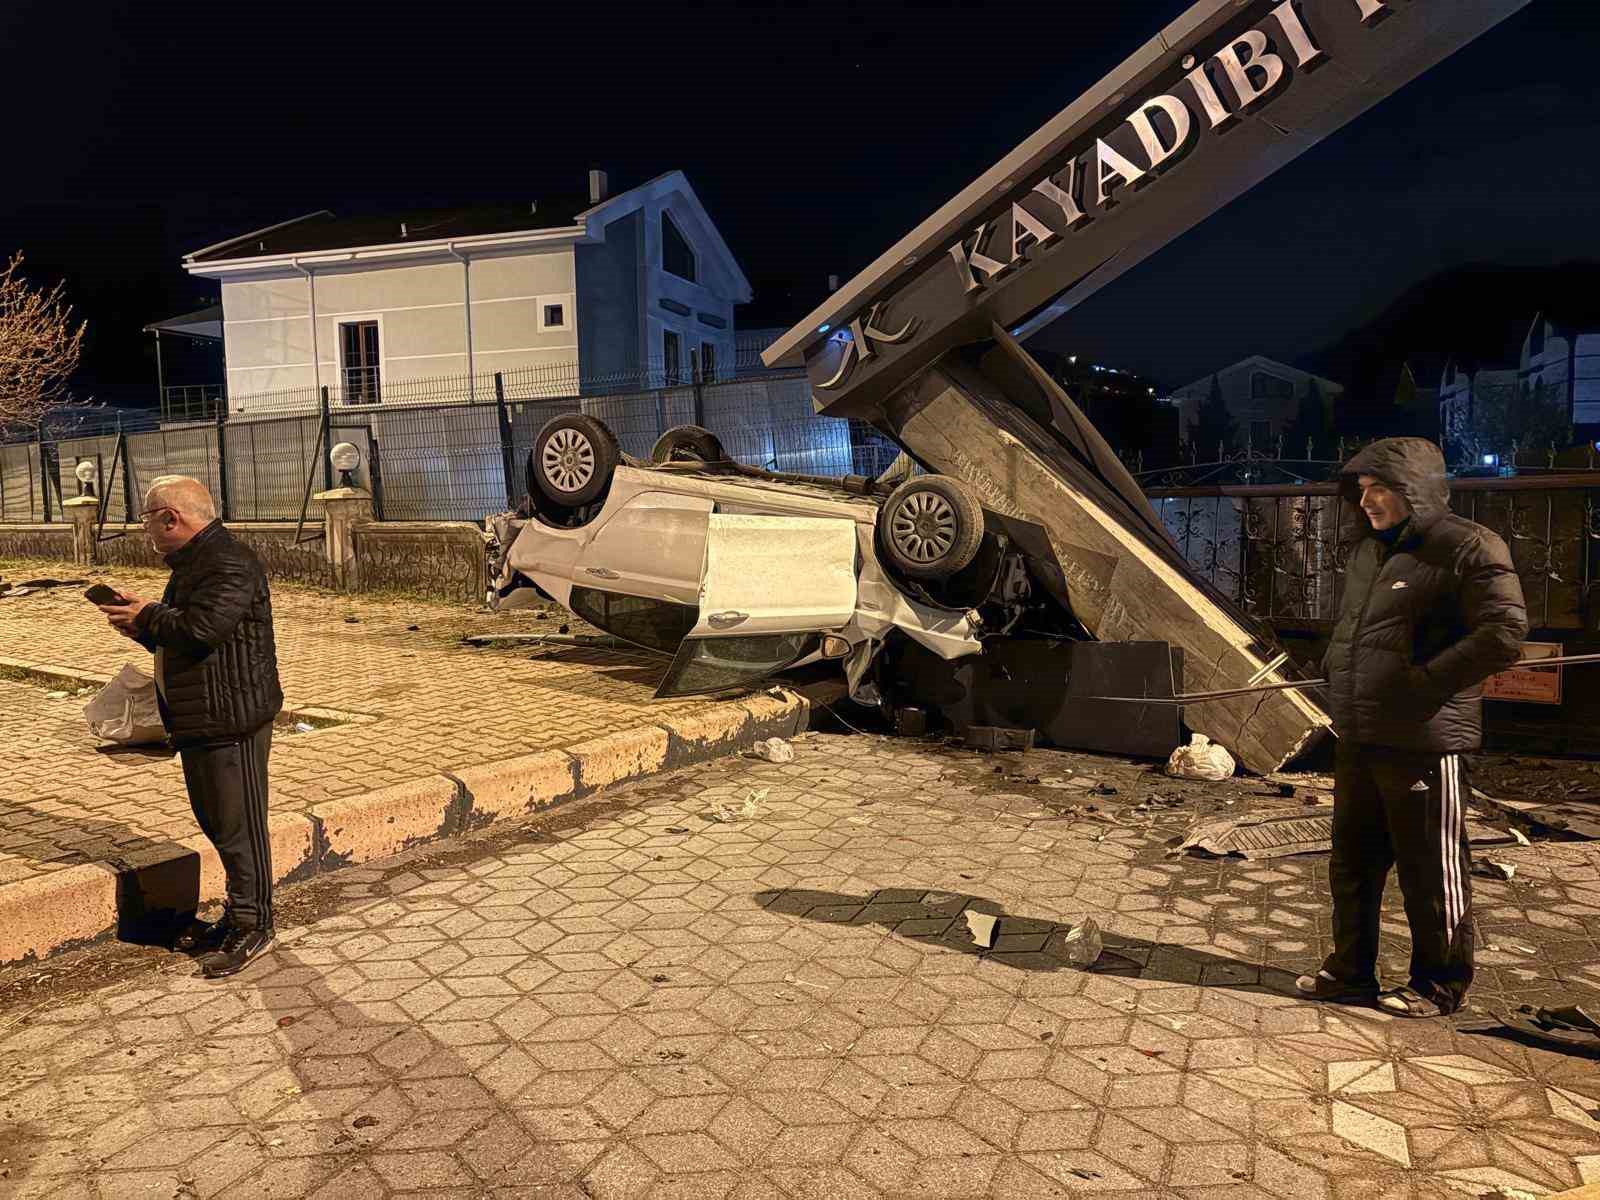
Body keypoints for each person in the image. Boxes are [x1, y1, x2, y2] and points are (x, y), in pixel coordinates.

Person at [1296, 438, 1527, 1017]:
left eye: (1379, 490)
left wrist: (1424, 683)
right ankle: (1349, 972)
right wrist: (1334, 671)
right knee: (1351, 862)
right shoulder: (1370, 553)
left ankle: (1437, 984)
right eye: (1362, 491)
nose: (1367, 501)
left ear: (1414, 492)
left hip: (1426, 738)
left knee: (1431, 867)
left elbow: (1502, 634)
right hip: (1360, 731)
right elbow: (1357, 632)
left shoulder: (1469, 546)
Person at [97, 475, 283, 979]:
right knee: (221, 823)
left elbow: (202, 629)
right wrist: (142, 625)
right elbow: (188, 642)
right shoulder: (195, 563)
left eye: (146, 520)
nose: (146, 532)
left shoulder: (226, 560)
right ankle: (238, 914)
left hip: (232, 721)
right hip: (205, 718)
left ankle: (255, 923)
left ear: (170, 518)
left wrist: (150, 614)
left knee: (239, 826)